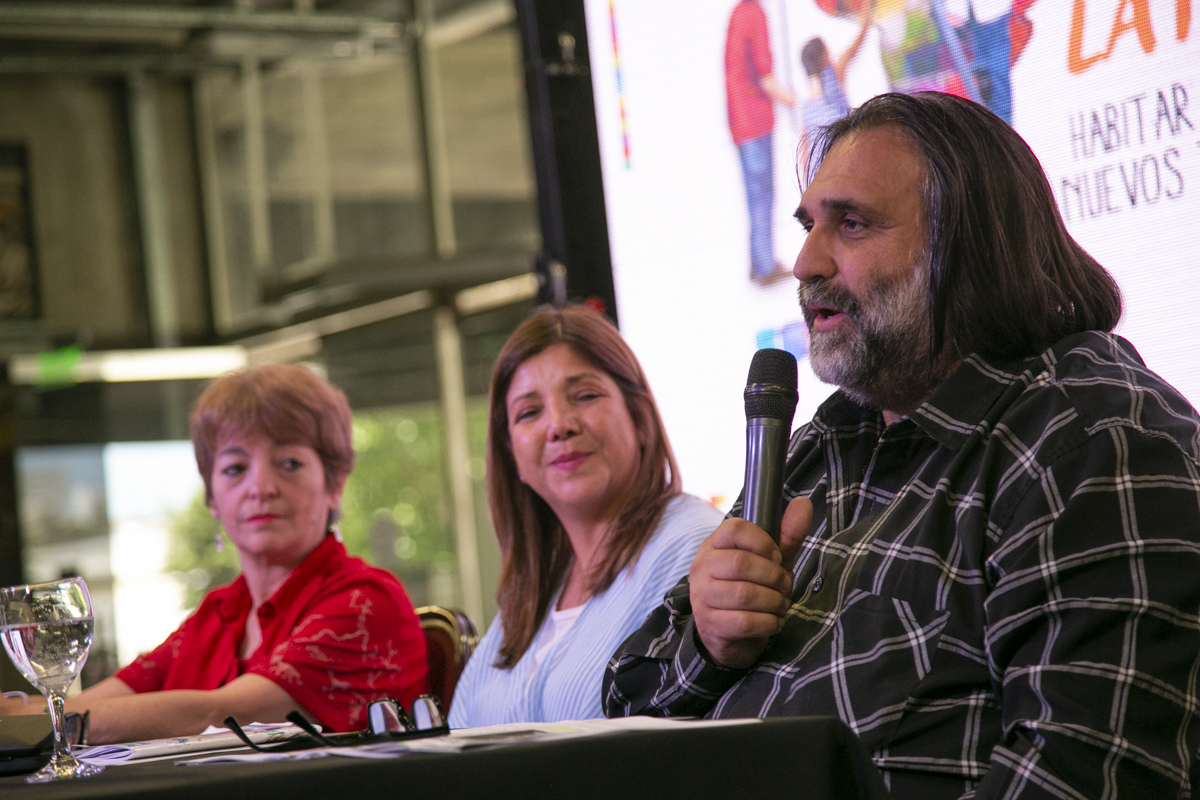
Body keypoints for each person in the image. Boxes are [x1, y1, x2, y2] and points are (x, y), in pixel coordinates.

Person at [604, 92, 1200, 798]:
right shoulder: (824, 446)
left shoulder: (1092, 443)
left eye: (852, 224)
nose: (804, 262)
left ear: (968, 249)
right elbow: (621, 707)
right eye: (809, 225)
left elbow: (1081, 777)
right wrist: (709, 644)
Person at [3, 364, 429, 744]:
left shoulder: (366, 602)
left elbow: (222, 714)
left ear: (334, 484)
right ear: (212, 498)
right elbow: (98, 701)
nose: (260, 487)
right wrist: (23, 713)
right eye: (235, 468)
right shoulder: (220, 612)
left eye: (289, 463)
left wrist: (48, 723)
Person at [449, 306, 722, 727]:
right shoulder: (537, 589)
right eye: (529, 412)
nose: (559, 425)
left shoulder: (694, 544)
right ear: (512, 454)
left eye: (585, 396)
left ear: (640, 419)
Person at [724, 0, 795, 284]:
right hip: (755, 119)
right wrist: (790, 98)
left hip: (739, 121)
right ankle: (765, 266)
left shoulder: (737, 13)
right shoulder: (754, 14)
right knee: (762, 194)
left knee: (754, 195)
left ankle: (758, 262)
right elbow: (765, 74)